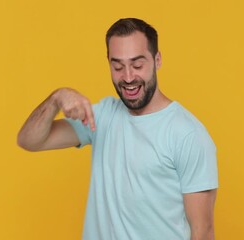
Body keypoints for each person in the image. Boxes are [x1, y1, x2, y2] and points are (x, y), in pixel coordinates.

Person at [18, 18, 218, 240]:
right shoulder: (101, 117)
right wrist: (56, 99)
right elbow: (29, 140)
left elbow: (203, 231)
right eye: (118, 67)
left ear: (157, 60)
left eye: (138, 65)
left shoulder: (187, 134)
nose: (128, 77)